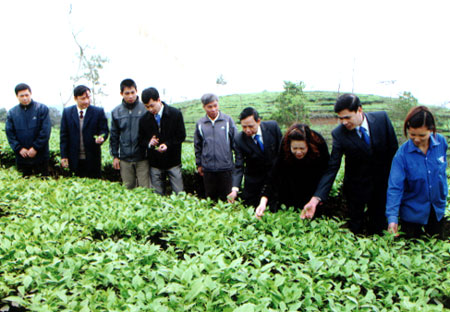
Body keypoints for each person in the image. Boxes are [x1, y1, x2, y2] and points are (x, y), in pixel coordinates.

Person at [302, 94, 398, 235]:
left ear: (359, 110)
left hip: (382, 187)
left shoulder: (381, 119)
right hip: (356, 189)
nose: (344, 122)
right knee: (355, 229)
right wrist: (316, 198)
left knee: (379, 227)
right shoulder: (339, 134)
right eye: (340, 118)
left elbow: (394, 154)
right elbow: (332, 168)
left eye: (347, 117)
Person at [386, 106, 447, 239]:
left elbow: (441, 175)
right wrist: (392, 218)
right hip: (412, 215)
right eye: (412, 135)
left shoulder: (441, 142)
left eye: (422, 135)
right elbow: (395, 188)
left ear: (431, 130)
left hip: (436, 211)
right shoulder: (402, 155)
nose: (417, 139)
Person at [255, 123, 329, 218]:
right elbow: (274, 174)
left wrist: (317, 198)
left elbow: (326, 173)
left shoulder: (319, 143)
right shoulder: (284, 144)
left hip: (313, 187)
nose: (298, 152)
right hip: (290, 187)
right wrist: (263, 202)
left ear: (309, 145)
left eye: (302, 148)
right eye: (294, 148)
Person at [228, 107, 282, 207]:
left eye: (250, 126)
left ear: (258, 121)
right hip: (254, 183)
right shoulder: (239, 139)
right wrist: (235, 189)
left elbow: (282, 151)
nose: (247, 130)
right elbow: (239, 165)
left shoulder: (272, 127)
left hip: (274, 179)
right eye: (244, 127)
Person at [139, 87, 186, 194]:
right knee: (157, 196)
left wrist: (167, 145)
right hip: (155, 163)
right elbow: (141, 140)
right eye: (147, 107)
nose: (150, 109)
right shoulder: (144, 120)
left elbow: (181, 136)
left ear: (159, 100)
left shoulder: (175, 114)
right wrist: (149, 143)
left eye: (152, 105)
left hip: (173, 161)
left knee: (179, 193)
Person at [194, 93, 238, 201]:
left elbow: (235, 142)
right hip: (208, 169)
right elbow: (198, 145)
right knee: (211, 200)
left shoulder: (227, 121)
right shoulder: (200, 124)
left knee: (228, 200)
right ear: (204, 107)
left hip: (226, 168)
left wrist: (237, 164)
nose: (213, 109)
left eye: (215, 105)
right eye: (210, 107)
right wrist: (199, 164)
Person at [60, 85, 109, 178]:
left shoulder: (98, 112)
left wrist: (102, 137)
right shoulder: (67, 112)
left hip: (92, 158)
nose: (86, 101)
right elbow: (64, 136)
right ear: (75, 98)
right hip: (74, 158)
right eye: (83, 98)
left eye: (88, 97)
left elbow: (104, 130)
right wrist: (64, 156)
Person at [110, 79, 149, 189]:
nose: (130, 96)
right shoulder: (116, 112)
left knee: (145, 190)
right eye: (127, 93)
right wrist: (115, 156)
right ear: (121, 94)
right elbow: (114, 136)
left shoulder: (145, 109)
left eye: (132, 92)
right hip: (125, 158)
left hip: (143, 158)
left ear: (136, 91)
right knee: (128, 189)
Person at [5, 83, 51, 177]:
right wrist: (19, 148)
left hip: (40, 155)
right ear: (17, 96)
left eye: (27, 95)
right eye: (21, 96)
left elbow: (45, 131)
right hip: (22, 156)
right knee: (24, 185)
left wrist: (35, 148)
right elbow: (10, 133)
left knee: (43, 184)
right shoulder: (12, 113)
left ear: (31, 94)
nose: (25, 98)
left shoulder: (42, 109)